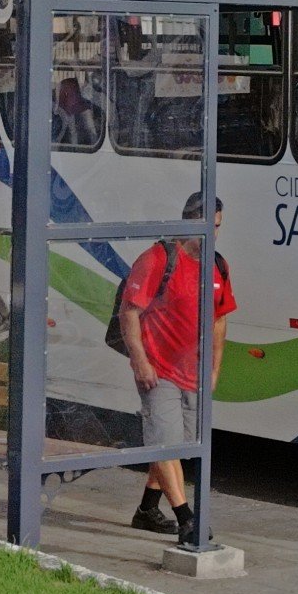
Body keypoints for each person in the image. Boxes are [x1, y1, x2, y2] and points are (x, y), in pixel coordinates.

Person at [121, 192, 235, 547]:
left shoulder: (217, 266)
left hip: (194, 372)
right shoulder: (157, 259)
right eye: (207, 226)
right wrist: (140, 360)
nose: (212, 234)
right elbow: (129, 312)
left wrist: (214, 369)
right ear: (189, 221)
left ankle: (146, 510)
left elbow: (219, 321)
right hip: (159, 371)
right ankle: (188, 521)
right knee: (166, 443)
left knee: (177, 445)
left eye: (217, 227)